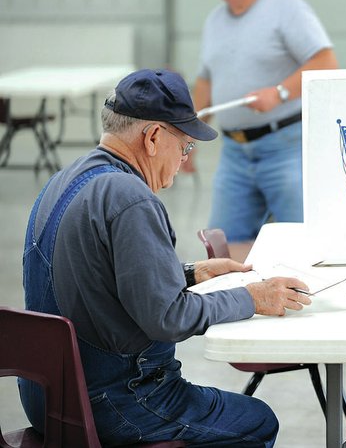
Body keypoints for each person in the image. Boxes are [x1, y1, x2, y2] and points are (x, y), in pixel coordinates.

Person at [20, 69, 312, 447]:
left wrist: (189, 274)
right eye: (186, 146)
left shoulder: (64, 179)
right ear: (154, 137)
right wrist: (253, 297)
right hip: (113, 401)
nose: (182, 161)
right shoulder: (130, 197)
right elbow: (168, 318)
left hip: (47, 398)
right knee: (256, 421)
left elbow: (95, 281)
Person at [191, 0, 338, 261]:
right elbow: (205, 83)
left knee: (305, 244)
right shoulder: (215, 21)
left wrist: (281, 91)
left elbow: (326, 61)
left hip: (285, 147)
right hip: (234, 153)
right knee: (222, 249)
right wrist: (187, 137)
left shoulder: (287, 9)